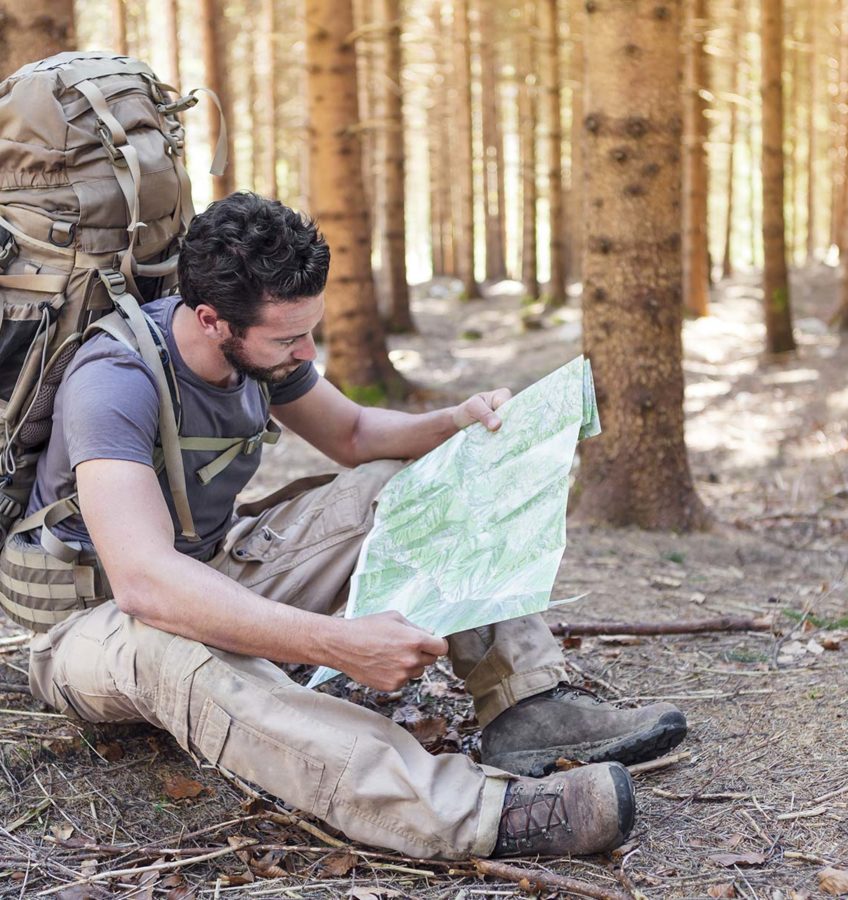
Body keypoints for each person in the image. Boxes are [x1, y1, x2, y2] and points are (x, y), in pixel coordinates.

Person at [17, 193, 687, 860]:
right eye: (288, 339)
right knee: (175, 649)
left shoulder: (261, 346)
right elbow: (144, 583)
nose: (306, 351)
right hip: (92, 624)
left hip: (206, 566)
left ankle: (529, 705)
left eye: (310, 330)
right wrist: (335, 644)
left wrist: (455, 424)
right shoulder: (115, 380)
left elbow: (356, 432)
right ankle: (475, 813)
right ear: (211, 320)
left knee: (401, 487)